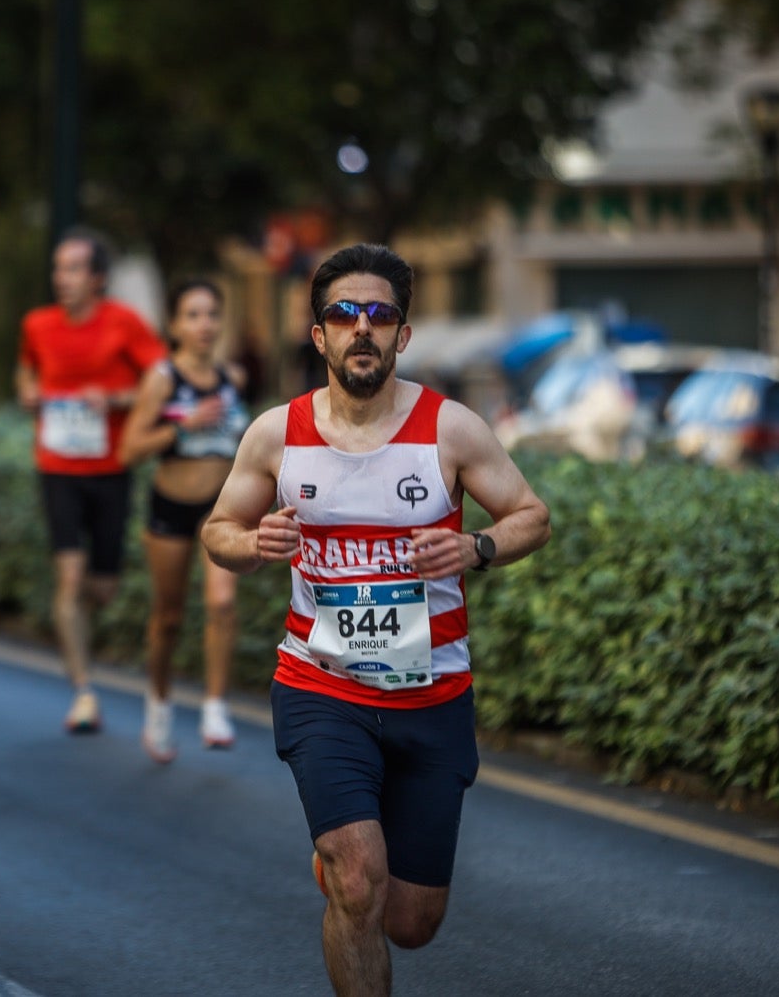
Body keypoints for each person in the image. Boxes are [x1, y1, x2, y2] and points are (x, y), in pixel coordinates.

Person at [202, 243, 551, 997]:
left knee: (411, 920)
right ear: (319, 335)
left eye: (381, 315)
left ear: (404, 334)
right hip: (321, 688)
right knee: (360, 882)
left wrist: (476, 546)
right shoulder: (276, 433)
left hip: (433, 698)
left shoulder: (449, 429)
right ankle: (346, 857)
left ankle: (346, 859)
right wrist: (251, 543)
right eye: (344, 314)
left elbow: (532, 515)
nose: (364, 329)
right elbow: (217, 532)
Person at [16, 227, 166, 733]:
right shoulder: (37, 324)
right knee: (71, 576)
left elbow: (161, 378)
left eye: (75, 268)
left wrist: (119, 400)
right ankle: (83, 691)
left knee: (102, 587)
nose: (63, 278)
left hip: (111, 467)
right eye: (59, 268)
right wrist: (29, 392)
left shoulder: (125, 323)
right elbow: (26, 370)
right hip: (57, 465)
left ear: (98, 277)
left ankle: (85, 620)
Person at [118, 278, 249, 762]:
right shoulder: (161, 378)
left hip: (220, 507)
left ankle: (215, 706)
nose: (204, 324)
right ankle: (158, 706)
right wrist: (181, 426)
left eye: (212, 314)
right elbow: (128, 449)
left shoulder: (233, 379)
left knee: (222, 603)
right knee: (168, 618)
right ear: (174, 325)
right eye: (193, 315)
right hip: (170, 504)